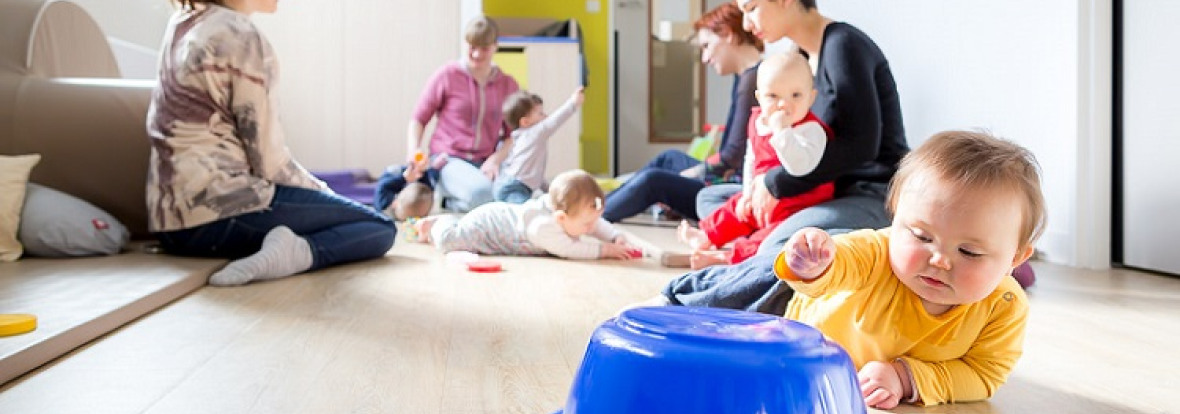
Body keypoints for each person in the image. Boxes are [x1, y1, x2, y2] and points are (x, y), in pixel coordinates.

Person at [651, 0, 911, 313]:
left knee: (788, 251)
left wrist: (775, 184)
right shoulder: (800, 59)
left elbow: (862, 146)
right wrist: (757, 188)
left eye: (751, 8)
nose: (747, 24)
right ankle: (749, 250)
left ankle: (682, 297)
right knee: (713, 197)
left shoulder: (844, 44)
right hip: (817, 191)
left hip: (868, 194)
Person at [776, 130, 1044, 408]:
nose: (939, 260)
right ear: (895, 217)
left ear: (1016, 258)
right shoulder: (876, 251)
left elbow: (983, 373)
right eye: (921, 236)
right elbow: (841, 264)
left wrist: (904, 377)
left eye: (969, 252)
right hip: (798, 343)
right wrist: (815, 262)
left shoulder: (1003, 307)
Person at [147, 0, 396, 286]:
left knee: (351, 215)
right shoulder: (239, 34)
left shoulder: (183, 23)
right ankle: (299, 253)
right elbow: (270, 163)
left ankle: (282, 246)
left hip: (170, 227)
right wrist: (327, 196)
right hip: (218, 217)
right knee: (379, 227)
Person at [602, 3, 763, 222]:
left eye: (706, 46)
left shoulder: (754, 80)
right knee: (669, 159)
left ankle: (593, 216)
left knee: (654, 180)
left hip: (730, 189)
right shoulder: (746, 76)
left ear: (728, 35)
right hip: (728, 177)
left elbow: (730, 158)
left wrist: (690, 174)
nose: (705, 58)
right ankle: (596, 203)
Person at [678, 50, 834, 269]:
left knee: (774, 238)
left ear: (811, 97)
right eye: (773, 96)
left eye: (796, 95)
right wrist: (747, 194)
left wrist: (782, 131)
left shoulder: (811, 130)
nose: (783, 105)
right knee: (733, 209)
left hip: (798, 203)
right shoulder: (757, 121)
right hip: (760, 197)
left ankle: (726, 257)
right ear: (760, 97)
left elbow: (800, 166)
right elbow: (750, 160)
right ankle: (706, 237)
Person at [408, 16, 520, 212]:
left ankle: (474, 202)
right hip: (449, 159)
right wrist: (414, 151)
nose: (476, 54)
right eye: (471, 46)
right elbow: (418, 119)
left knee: (517, 191)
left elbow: (514, 134)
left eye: (484, 48)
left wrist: (495, 159)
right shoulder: (447, 75)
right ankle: (448, 201)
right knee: (482, 194)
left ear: (495, 46)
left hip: (487, 161)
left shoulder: (508, 84)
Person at [413, 170, 638, 260]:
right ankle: (440, 223)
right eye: (586, 224)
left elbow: (595, 223)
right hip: (485, 227)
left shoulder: (572, 213)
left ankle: (449, 223)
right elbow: (570, 250)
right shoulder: (543, 227)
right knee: (450, 242)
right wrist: (605, 250)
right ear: (560, 218)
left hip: (499, 217)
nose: (591, 228)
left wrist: (614, 236)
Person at [494, 87, 585, 203]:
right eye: (540, 113)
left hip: (510, 183)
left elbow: (534, 173)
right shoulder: (532, 134)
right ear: (525, 122)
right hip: (513, 187)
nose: (545, 116)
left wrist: (549, 189)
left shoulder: (525, 139)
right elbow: (553, 122)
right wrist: (573, 103)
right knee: (524, 213)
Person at [373, 152, 446, 220]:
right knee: (431, 181)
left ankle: (418, 169)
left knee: (391, 177)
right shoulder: (424, 196)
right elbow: (426, 189)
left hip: (393, 176)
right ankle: (433, 168)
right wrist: (422, 172)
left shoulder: (383, 205)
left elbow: (382, 186)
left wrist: (404, 178)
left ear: (394, 204)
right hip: (412, 183)